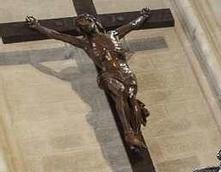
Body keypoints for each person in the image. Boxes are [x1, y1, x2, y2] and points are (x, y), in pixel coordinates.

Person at [26, 9, 152, 149]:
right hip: (108, 74)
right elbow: (56, 35)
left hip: (126, 73)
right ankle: (128, 133)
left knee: (131, 100)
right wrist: (37, 26)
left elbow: (132, 25)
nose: (84, 25)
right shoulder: (85, 43)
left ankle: (136, 134)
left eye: (86, 21)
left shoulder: (113, 35)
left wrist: (143, 16)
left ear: (94, 22)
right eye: (81, 25)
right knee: (120, 94)